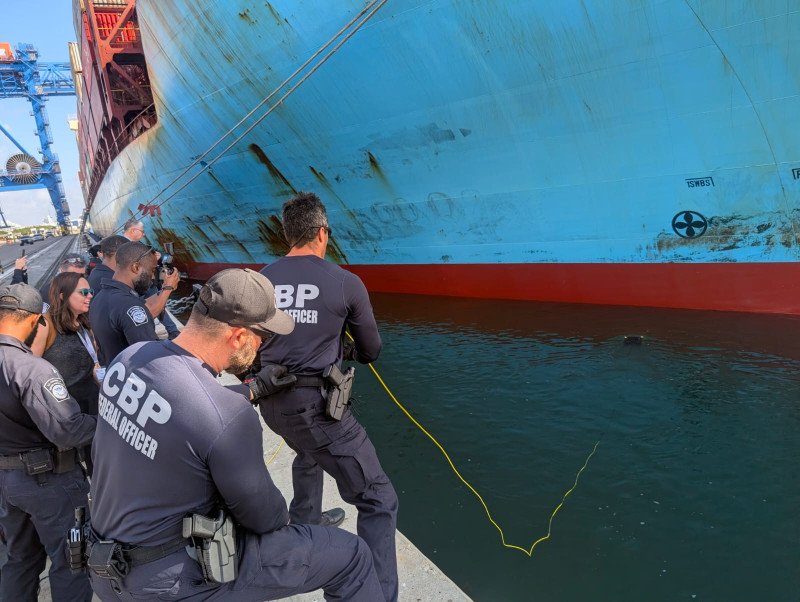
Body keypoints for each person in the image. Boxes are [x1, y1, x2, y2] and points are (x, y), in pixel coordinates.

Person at [87, 268, 383, 600]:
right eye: (263, 337)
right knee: (351, 556)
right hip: (171, 583)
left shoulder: (130, 359)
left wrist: (253, 389)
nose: (263, 346)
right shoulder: (229, 415)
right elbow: (266, 519)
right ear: (239, 336)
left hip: (106, 568)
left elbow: (181, 406)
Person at [255, 192, 399, 601]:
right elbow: (371, 350)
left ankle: (306, 525)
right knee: (378, 498)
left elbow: (247, 347)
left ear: (288, 235)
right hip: (315, 409)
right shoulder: (345, 282)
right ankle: (374, 593)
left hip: (270, 402)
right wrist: (345, 349)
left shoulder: (262, 280)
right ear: (322, 233)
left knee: (307, 453)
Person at [0, 283, 96, 601]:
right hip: (49, 482)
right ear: (34, 320)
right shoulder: (32, 369)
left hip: (6, 483)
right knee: (73, 562)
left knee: (20, 560)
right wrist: (105, 422)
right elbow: (67, 430)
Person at [89, 241, 179, 366]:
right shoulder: (130, 305)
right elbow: (151, 359)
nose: (153, 276)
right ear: (135, 267)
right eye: (152, 270)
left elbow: (142, 307)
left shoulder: (101, 297)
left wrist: (167, 288)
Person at [122, 218, 181, 339]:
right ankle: (157, 334)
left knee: (159, 303)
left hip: (146, 281)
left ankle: (172, 331)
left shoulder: (136, 244)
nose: (144, 234)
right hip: (136, 283)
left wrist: (153, 257)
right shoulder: (122, 245)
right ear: (133, 230)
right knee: (143, 308)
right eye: (142, 231)